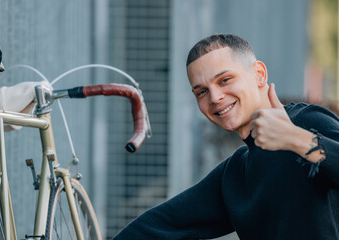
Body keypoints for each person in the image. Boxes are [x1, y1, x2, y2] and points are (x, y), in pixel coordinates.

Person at [113, 33, 339, 239]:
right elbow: (160, 224)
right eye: (201, 91)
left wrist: (296, 139)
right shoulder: (235, 174)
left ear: (259, 74)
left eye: (225, 80)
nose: (215, 97)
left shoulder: (306, 122)